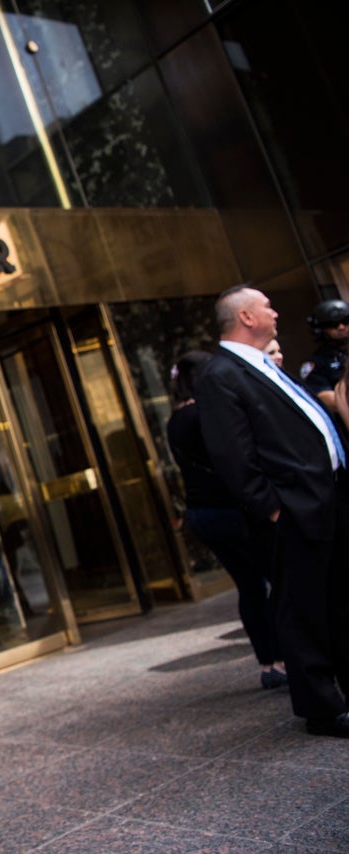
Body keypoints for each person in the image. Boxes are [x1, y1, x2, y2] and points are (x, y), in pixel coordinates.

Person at [194, 285, 349, 738]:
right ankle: (322, 709)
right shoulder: (221, 374)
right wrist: (274, 510)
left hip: (327, 499)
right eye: (267, 306)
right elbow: (232, 455)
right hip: (294, 510)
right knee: (302, 612)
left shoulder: (263, 365)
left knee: (339, 602)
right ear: (245, 316)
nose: (276, 312)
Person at [165, 351, 285, 689]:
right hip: (231, 509)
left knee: (249, 587)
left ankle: (270, 662)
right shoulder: (206, 414)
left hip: (203, 513)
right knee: (277, 577)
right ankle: (288, 656)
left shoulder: (176, 419)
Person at [298, 297, 349, 416]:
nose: (341, 327)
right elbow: (324, 397)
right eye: (333, 324)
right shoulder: (316, 362)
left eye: (346, 321)